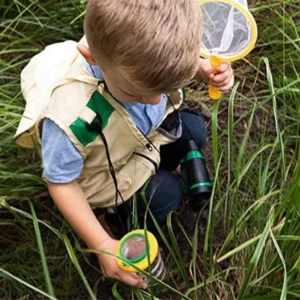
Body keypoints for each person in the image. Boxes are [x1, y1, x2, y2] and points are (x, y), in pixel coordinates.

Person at [15, 0, 234, 290]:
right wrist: (102, 243)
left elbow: (171, 68)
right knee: (166, 196)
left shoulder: (134, 61)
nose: (156, 101)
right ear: (92, 58)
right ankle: (111, 218)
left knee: (194, 129)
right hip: (104, 170)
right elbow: (61, 183)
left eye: (164, 87)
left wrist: (203, 69)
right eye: (137, 92)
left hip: (136, 138)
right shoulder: (72, 121)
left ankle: (164, 164)